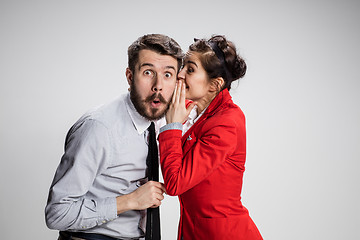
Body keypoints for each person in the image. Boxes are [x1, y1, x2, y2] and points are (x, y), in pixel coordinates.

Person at [45, 34, 184, 240]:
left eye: (167, 75)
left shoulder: (159, 120)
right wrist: (130, 201)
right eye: (148, 72)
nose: (158, 86)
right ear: (129, 77)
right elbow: (57, 214)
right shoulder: (99, 129)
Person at [158, 35, 263, 239]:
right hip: (194, 230)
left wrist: (172, 126)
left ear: (214, 85)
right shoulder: (191, 109)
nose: (180, 75)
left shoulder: (227, 122)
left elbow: (175, 183)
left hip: (223, 234)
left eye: (190, 69)